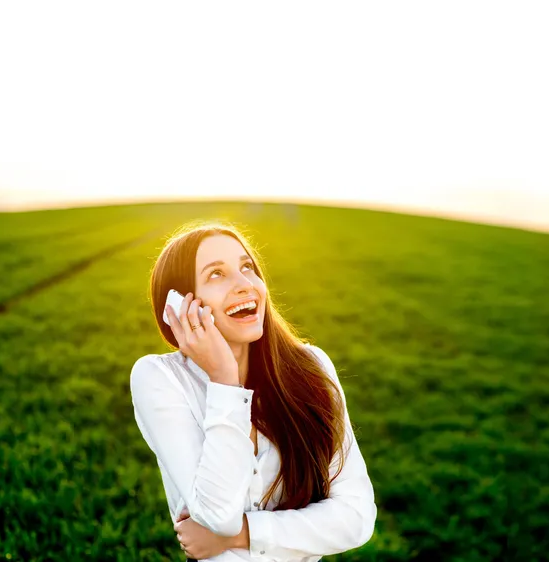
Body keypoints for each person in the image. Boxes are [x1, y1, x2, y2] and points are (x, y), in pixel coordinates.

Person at [129, 221, 377, 561]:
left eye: (247, 267)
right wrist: (224, 379)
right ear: (179, 306)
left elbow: (356, 518)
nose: (244, 284)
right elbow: (217, 515)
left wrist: (243, 535)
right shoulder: (159, 378)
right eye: (216, 274)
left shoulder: (311, 367)